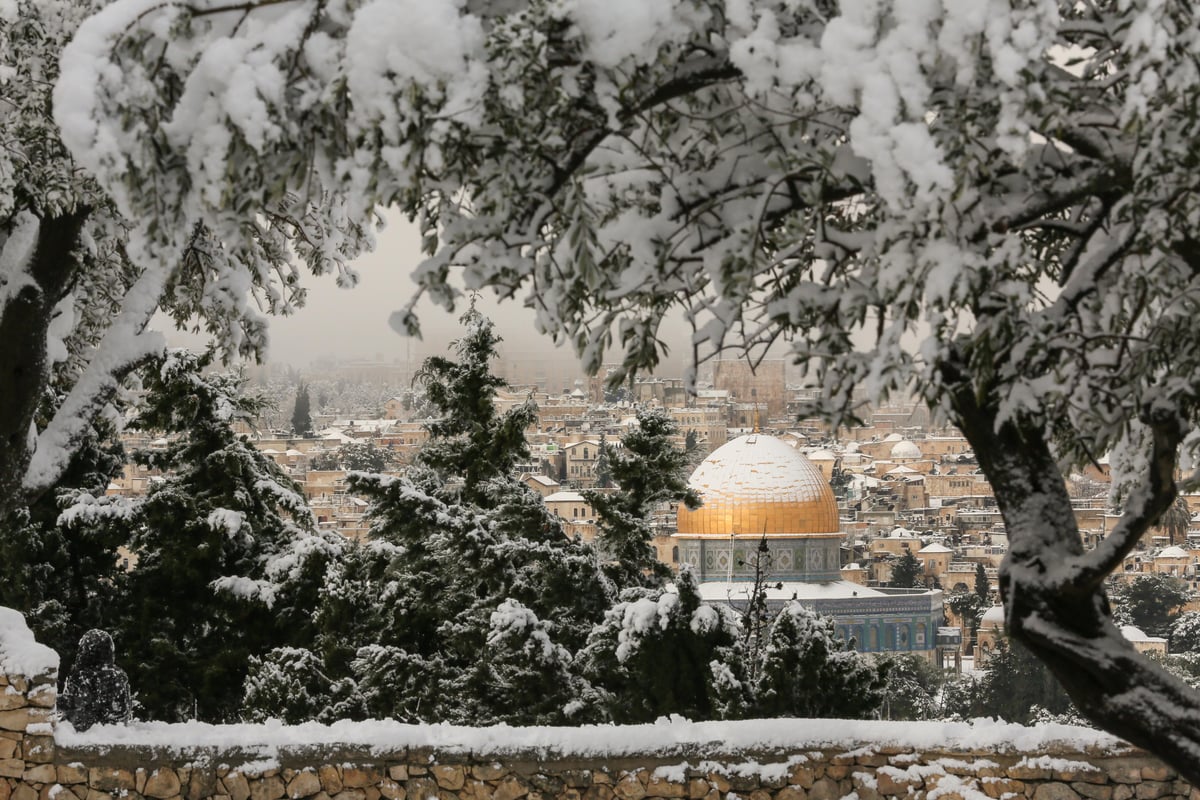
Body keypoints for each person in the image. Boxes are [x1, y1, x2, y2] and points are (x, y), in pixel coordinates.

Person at [58, 630, 131, 731]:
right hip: (117, 730)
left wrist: (55, 701)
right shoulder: (119, 675)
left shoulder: (82, 675)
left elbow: (76, 703)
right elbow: (123, 710)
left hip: (85, 733)